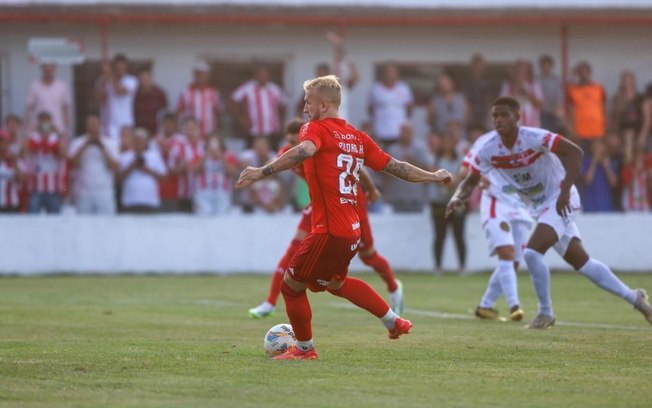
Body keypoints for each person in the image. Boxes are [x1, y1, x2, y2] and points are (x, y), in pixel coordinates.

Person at [237, 75, 452, 359]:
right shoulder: (357, 136)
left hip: (329, 229)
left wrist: (261, 171)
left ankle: (304, 350)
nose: (304, 108)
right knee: (336, 284)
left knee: (291, 286)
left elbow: (304, 151)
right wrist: (433, 176)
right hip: (352, 229)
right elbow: (396, 167)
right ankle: (394, 321)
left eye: (308, 102)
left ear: (323, 104)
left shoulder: (314, 130)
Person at [446, 96, 652, 329]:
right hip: (541, 207)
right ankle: (636, 299)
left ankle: (546, 312)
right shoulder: (489, 149)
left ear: (517, 117)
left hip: (560, 199)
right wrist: (456, 197)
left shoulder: (534, 137)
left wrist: (564, 191)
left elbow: (575, 153)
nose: (499, 119)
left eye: (504, 114)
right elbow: (471, 180)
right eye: (495, 115)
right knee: (583, 263)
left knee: (532, 253)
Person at [248, 118, 406, 319]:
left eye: (296, 142)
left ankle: (393, 287)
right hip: (320, 205)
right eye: (289, 142)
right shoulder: (289, 154)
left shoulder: (316, 146)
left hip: (351, 201)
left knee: (368, 255)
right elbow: (278, 166)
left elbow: (359, 168)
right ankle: (270, 303)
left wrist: (372, 189)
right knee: (294, 247)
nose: (293, 146)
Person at [460, 131, 532, 321]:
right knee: (506, 253)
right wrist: (478, 177)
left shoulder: (528, 140)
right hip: (495, 204)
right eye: (497, 115)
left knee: (514, 261)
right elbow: (464, 168)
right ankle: (514, 306)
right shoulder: (486, 142)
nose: (500, 120)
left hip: (518, 204)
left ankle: (485, 306)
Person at [428, 132, 467, 274]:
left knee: (459, 235)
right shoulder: (434, 159)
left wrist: (452, 183)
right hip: (439, 202)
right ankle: (438, 267)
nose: (446, 144)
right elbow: (431, 173)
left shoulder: (460, 159)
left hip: (456, 200)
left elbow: (464, 175)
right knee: (439, 235)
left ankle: (462, 267)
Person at [68, 114, 119, 214]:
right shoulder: (78, 142)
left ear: (100, 125)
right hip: (84, 191)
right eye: (90, 124)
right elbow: (72, 164)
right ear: (86, 126)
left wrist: (101, 147)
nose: (93, 126)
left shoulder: (111, 143)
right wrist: (86, 145)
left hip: (105, 191)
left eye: (95, 123)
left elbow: (114, 166)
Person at [231, 66, 286, 149]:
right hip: (253, 131)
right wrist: (241, 119)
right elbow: (232, 101)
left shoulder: (274, 89)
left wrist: (281, 125)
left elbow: (282, 106)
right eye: (260, 75)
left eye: (265, 75)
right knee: (250, 157)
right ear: (255, 76)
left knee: (273, 157)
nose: (262, 77)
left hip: (271, 131)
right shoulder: (247, 88)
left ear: (268, 76)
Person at [24, 111, 68, 214]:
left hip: (53, 188)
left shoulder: (56, 138)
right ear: (38, 122)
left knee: (54, 221)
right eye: (42, 121)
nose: (45, 124)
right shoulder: (33, 138)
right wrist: (29, 133)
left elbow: (63, 154)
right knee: (32, 221)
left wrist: (58, 134)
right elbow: (24, 151)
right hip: (35, 188)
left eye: (47, 121)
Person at [119, 127, 167, 213]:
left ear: (146, 142)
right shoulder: (125, 157)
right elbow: (118, 179)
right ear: (133, 141)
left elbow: (164, 177)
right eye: (137, 141)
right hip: (130, 201)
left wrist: (147, 169)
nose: (139, 143)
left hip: (150, 201)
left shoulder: (154, 156)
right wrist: (131, 167)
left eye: (141, 141)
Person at [385, 122, 429, 212]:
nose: (406, 134)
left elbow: (427, 170)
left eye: (408, 131)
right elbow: (385, 172)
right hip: (398, 197)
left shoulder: (420, 148)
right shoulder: (393, 150)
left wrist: (413, 162)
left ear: (412, 133)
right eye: (403, 131)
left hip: (416, 197)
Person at [368, 64, 414, 149]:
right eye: (388, 72)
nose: (390, 74)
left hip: (399, 132)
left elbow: (409, 108)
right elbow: (370, 108)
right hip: (380, 132)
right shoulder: (376, 88)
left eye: (392, 72)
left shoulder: (404, 88)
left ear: (397, 74)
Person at [191, 133, 238, 215]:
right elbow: (194, 170)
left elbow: (232, 172)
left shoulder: (229, 155)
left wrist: (221, 157)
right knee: (204, 215)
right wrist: (206, 155)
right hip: (204, 192)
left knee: (222, 216)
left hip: (222, 193)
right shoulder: (200, 153)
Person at [96, 54, 139, 140]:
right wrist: (103, 83)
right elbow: (98, 100)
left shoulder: (132, 81)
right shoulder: (103, 81)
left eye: (122, 66)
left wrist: (110, 77)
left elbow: (120, 92)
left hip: (125, 123)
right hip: (108, 123)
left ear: (126, 67)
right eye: (117, 67)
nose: (119, 69)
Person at [566, 61, 607, 150]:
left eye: (585, 72)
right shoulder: (572, 90)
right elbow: (570, 110)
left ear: (589, 72)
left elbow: (605, 108)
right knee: (579, 152)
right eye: (580, 72)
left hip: (597, 127)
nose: (583, 74)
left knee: (598, 152)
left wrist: (607, 125)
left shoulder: (599, 88)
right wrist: (572, 128)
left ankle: (593, 165)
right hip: (580, 128)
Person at [25, 63, 71, 137]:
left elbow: (65, 109)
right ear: (42, 69)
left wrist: (67, 129)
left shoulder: (62, 86)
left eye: (50, 69)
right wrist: (27, 128)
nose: (48, 72)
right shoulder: (34, 86)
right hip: (38, 129)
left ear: (54, 69)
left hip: (57, 129)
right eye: (46, 69)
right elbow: (29, 108)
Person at [176, 63, 221, 137]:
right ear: (194, 75)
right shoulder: (186, 91)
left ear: (207, 76)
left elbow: (217, 112)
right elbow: (179, 111)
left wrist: (216, 130)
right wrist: (179, 129)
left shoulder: (213, 92)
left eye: (203, 74)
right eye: (198, 74)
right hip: (189, 134)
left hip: (208, 133)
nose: (201, 77)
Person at [500, 60, 543, 127]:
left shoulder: (534, 84)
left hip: (532, 124)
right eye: (518, 70)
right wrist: (516, 88)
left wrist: (526, 92)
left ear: (527, 71)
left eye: (523, 70)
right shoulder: (507, 84)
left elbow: (540, 104)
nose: (520, 72)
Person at [611, 71, 642, 163]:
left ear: (633, 81)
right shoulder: (618, 98)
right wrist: (614, 134)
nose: (626, 83)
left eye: (629, 80)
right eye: (624, 80)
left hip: (637, 129)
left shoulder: (640, 98)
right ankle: (627, 166)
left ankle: (628, 165)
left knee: (629, 136)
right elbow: (614, 118)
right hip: (622, 130)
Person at [580, 139, 618, 212]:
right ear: (592, 148)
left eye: (601, 146)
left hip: (606, 206)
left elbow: (614, 183)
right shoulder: (587, 161)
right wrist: (594, 162)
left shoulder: (610, 162)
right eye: (596, 146)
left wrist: (607, 167)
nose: (599, 149)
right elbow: (587, 180)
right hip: (590, 206)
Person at [134, 68, 168, 135]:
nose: (145, 81)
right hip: (139, 130)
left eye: (146, 78)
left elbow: (165, 111)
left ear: (151, 79)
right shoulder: (135, 93)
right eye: (142, 79)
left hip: (155, 130)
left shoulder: (159, 93)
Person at [464, 53, 492, 130]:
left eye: (480, 65)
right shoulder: (468, 82)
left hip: (482, 114)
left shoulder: (486, 83)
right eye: (476, 65)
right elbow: (466, 100)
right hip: (470, 114)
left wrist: (486, 116)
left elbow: (487, 100)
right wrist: (468, 115)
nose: (478, 68)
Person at [537, 55, 564, 133]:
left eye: (548, 66)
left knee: (553, 132)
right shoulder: (537, 79)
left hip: (553, 111)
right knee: (542, 132)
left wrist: (558, 107)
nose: (546, 68)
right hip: (541, 111)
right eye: (544, 66)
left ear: (551, 67)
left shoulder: (556, 79)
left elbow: (559, 94)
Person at [0, 131, 25, 213]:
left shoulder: (15, 160)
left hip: (13, 205)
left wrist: (15, 163)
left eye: (4, 142)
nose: (2, 145)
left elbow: (22, 180)